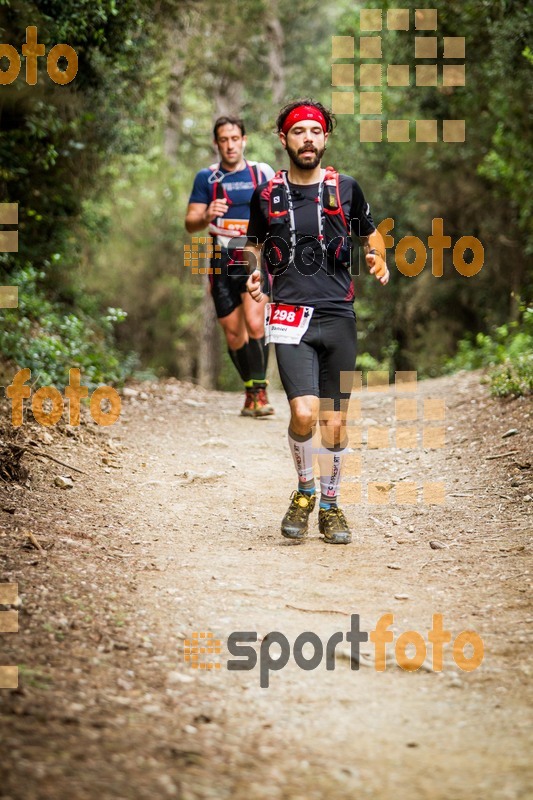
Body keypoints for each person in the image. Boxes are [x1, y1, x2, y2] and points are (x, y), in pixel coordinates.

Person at [244, 99, 389, 544]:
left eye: (315, 131)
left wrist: (377, 257)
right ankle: (305, 491)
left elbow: (372, 233)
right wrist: (253, 274)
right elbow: (252, 243)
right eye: (298, 131)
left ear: (325, 138)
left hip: (338, 315)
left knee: (334, 423)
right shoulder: (267, 195)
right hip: (289, 317)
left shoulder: (346, 188)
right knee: (303, 413)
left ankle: (330, 505)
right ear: (284, 139)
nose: (307, 138)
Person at [185, 116, 275, 416]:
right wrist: (207, 214)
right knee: (234, 333)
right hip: (221, 258)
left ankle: (261, 394)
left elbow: (279, 210)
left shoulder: (261, 172)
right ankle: (250, 390)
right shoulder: (206, 178)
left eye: (235, 138)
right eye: (223, 140)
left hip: (252, 254)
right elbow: (190, 223)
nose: (230, 145)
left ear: (244, 140)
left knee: (254, 322)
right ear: (216, 143)